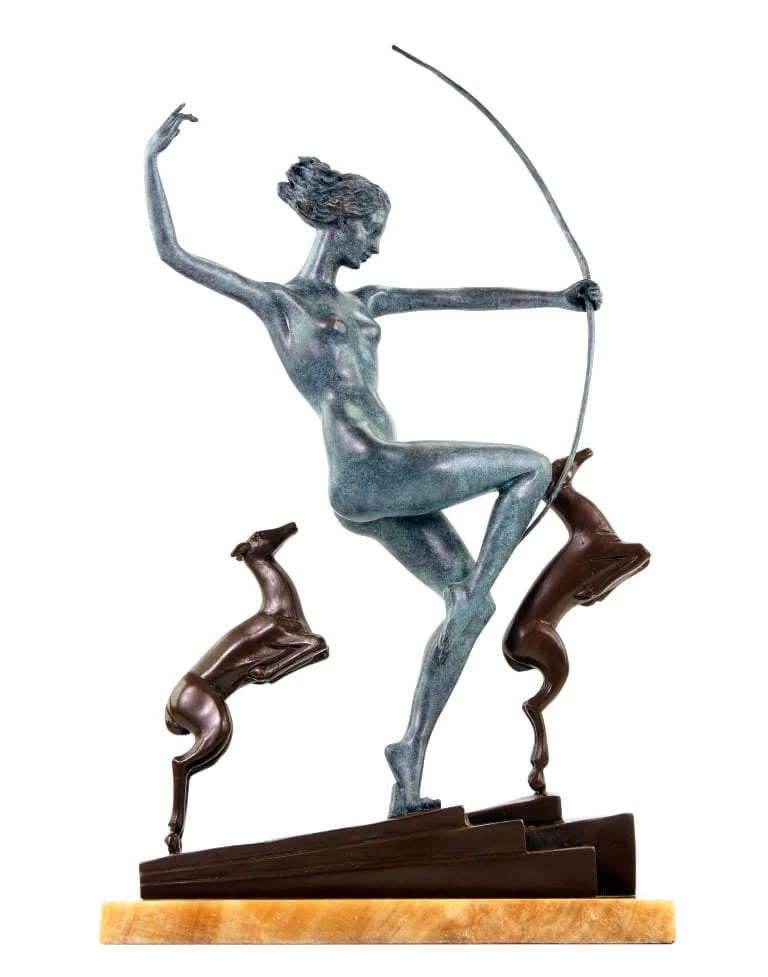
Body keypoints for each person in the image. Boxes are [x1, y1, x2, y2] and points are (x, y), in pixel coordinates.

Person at [145, 105, 602, 816]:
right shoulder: (280, 303)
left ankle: (408, 761)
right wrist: (151, 159)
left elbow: (457, 297)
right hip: (368, 465)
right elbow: (175, 253)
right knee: (528, 468)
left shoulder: (370, 301)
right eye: (371, 230)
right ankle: (479, 589)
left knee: (469, 605)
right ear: (340, 220)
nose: (377, 247)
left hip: (381, 484)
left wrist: (557, 300)